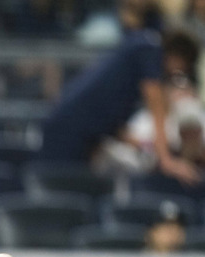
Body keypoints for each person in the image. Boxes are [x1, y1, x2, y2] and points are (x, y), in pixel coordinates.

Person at [38, 0, 201, 185]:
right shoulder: (150, 47)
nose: (175, 74)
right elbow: (156, 103)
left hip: (77, 134)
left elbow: (111, 122)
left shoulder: (139, 54)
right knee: (58, 198)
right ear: (178, 56)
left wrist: (141, 145)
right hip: (65, 132)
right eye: (181, 68)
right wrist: (167, 160)